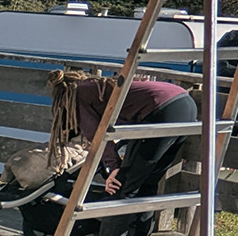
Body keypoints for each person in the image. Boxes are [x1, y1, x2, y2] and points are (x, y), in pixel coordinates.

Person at [20, 70, 198, 236]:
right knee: (147, 183)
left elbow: (97, 135)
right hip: (185, 103)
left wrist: (114, 167)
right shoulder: (97, 86)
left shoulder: (75, 95)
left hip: (161, 111)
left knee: (124, 185)